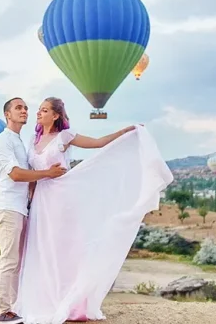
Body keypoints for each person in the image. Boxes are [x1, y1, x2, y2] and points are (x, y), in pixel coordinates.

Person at [13, 97, 174, 323]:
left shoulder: (65, 136)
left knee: (64, 248)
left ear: (56, 115)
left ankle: (71, 302)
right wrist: (29, 200)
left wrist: (126, 132)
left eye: (45, 110)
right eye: (39, 110)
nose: (39, 113)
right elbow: (31, 172)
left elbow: (98, 143)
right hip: (41, 199)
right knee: (42, 249)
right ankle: (46, 301)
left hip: (62, 197)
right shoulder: (32, 139)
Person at [0, 97, 68, 323]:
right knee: (9, 260)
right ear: (7, 114)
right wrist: (47, 174)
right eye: (18, 107)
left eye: (25, 107)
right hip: (7, 206)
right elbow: (15, 174)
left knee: (18, 261)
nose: (24, 110)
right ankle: (3, 310)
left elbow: (28, 177)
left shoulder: (20, 142)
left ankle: (15, 307)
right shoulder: (3, 140)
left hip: (20, 208)